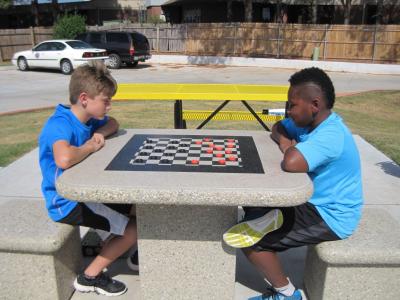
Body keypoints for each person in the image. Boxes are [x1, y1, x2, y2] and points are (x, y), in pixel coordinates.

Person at [223, 67, 363, 300]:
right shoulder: (307, 122)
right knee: (252, 204)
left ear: (315, 105)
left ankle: (287, 293)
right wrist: (289, 141)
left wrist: (289, 148)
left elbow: (291, 162)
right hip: (310, 200)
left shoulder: (331, 135)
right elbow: (278, 127)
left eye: (292, 105)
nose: (288, 111)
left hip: (330, 214)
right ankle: (266, 219)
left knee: (250, 242)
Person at [39, 61, 138, 296]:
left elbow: (114, 124)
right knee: (134, 229)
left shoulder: (87, 119)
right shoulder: (60, 123)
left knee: (136, 206)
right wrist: (90, 147)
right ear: (85, 98)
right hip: (65, 201)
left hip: (85, 193)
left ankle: (123, 248)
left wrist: (98, 134)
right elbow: (64, 159)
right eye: (106, 100)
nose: (110, 106)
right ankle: (89, 277)